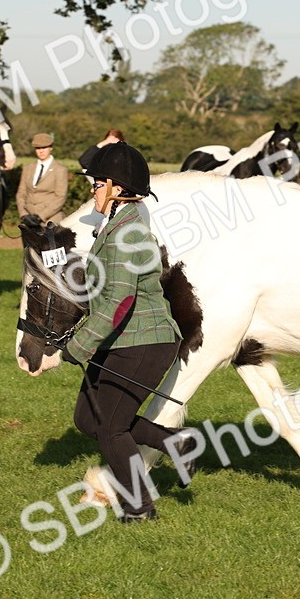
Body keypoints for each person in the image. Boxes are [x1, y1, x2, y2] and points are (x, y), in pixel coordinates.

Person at [56, 142, 190, 523]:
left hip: (145, 342)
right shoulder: (116, 226)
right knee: (88, 419)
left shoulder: (126, 234)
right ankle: (174, 442)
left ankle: (139, 508)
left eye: (98, 184)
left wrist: (78, 346)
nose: (93, 191)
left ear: (116, 189)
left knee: (112, 430)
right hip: (122, 339)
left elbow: (119, 301)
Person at [17, 132, 69, 225]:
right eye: (38, 148)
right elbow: (21, 193)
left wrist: (40, 217)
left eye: (44, 148)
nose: (41, 151)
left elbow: (60, 197)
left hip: (50, 218)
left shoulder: (60, 170)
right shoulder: (27, 168)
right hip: (28, 217)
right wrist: (23, 214)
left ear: (51, 148)